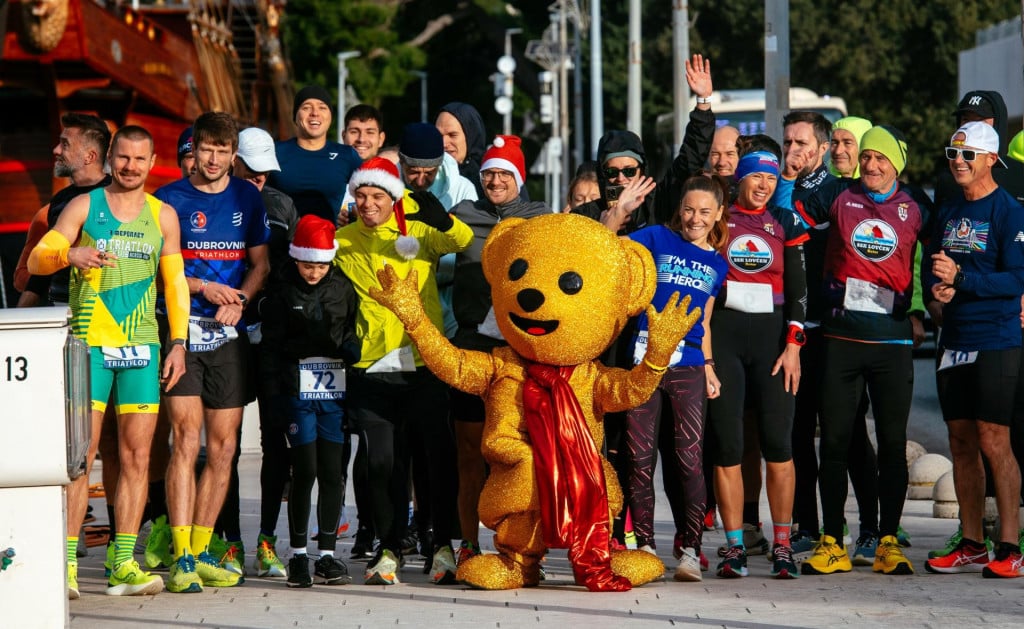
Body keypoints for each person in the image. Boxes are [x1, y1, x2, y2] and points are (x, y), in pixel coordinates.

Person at [28, 124, 190, 598]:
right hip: (90, 348)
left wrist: (178, 342)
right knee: (81, 458)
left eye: (140, 160)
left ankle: (123, 562)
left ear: (153, 161)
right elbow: (39, 259)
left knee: (138, 456)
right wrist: (68, 254)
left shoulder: (164, 216)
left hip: (143, 350)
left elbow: (176, 284)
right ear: (110, 157)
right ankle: (67, 565)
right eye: (123, 158)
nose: (131, 167)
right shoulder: (83, 206)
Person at [795, 125, 932, 576]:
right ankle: (832, 540)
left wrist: (925, 305)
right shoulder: (838, 195)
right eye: (866, 157)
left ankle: (887, 541)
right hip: (840, 341)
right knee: (834, 443)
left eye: (881, 159)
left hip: (891, 343)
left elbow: (940, 252)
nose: (871, 166)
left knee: (892, 446)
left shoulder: (915, 206)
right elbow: (786, 213)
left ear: (897, 164)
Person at [334, 156, 472, 585]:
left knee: (436, 459)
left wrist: (444, 221)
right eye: (361, 196)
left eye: (377, 196)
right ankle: (389, 546)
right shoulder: (343, 240)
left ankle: (443, 545)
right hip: (371, 367)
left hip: (423, 362)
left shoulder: (418, 234)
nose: (368, 204)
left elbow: (462, 241)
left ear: (393, 199)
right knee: (382, 464)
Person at [155, 111, 270, 593]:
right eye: (207, 150)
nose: (215, 158)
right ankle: (181, 555)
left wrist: (241, 299)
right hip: (181, 330)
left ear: (233, 155)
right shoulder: (167, 199)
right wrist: (201, 286)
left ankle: (202, 551)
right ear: (194, 151)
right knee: (185, 441)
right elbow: (162, 269)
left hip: (227, 336)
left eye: (224, 151)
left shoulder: (247, 196)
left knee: (224, 448)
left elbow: (260, 263)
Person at [922, 121, 1024, 578]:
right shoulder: (947, 211)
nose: (957, 162)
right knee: (961, 442)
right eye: (952, 153)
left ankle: (1009, 544)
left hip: (996, 338)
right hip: (954, 340)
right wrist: (936, 295)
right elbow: (934, 270)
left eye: (967, 155)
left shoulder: (1008, 211)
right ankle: (970, 542)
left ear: (990, 160)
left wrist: (963, 281)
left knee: (993, 439)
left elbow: (1017, 279)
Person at [707, 147, 807, 580]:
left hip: (772, 344)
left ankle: (782, 544)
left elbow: (801, 292)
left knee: (778, 446)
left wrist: (794, 346)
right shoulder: (719, 219)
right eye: (756, 178)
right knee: (728, 447)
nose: (764, 185)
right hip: (726, 338)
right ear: (740, 180)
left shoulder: (783, 223)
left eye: (770, 178)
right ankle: (734, 546)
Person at [448, 135, 550, 566]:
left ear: (519, 179)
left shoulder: (540, 218)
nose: (494, 180)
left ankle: (522, 547)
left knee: (520, 454)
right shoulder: (463, 216)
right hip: (473, 348)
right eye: (489, 171)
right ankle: (467, 545)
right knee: (470, 453)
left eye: (504, 173)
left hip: (522, 352)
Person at [625, 174, 729, 582]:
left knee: (689, 460)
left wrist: (709, 365)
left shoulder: (718, 264)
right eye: (689, 209)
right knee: (638, 458)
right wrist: (619, 212)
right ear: (679, 208)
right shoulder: (655, 238)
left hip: (688, 365)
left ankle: (690, 549)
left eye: (705, 211)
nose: (695, 218)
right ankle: (646, 547)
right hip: (644, 361)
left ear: (718, 214)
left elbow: (703, 319)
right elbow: (608, 249)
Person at [259, 214, 360, 587]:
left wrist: (352, 350)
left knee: (333, 473)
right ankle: (299, 555)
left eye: (320, 265)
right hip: (296, 394)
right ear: (296, 259)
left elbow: (351, 331)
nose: (313, 272)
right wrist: (272, 395)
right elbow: (270, 346)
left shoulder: (343, 288)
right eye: (307, 264)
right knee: (304, 471)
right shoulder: (283, 290)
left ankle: (328, 556)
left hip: (334, 395)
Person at [397, 122, 480, 560]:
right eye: (414, 170)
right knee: (403, 444)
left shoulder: (459, 187)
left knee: (440, 442)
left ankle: (442, 534)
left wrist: (435, 237)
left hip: (443, 328)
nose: (421, 179)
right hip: (394, 335)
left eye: (428, 172)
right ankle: (409, 525)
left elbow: (462, 252)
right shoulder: (383, 186)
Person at [231, 126, 298, 578]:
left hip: (272, 337)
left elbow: (293, 270)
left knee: (276, 442)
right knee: (225, 445)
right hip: (226, 332)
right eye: (250, 169)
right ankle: (229, 543)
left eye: (263, 171)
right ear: (233, 161)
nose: (257, 178)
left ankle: (268, 541)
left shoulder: (281, 205)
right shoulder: (213, 202)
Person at [15, 112, 112, 307]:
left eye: (65, 144)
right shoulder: (60, 200)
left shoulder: (116, 196)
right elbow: (42, 271)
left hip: (105, 312)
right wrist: (19, 315)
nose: (56, 150)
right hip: (60, 309)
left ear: (89, 156)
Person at [269, 85, 361, 224]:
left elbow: (369, 195)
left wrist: (352, 215)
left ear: (330, 116)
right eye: (306, 107)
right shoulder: (274, 152)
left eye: (322, 107)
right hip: (283, 242)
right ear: (295, 116)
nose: (314, 113)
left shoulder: (346, 155)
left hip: (330, 241)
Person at [436, 102, 488, 198]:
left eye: (452, 135)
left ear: (471, 136)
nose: (443, 143)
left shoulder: (494, 178)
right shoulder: (426, 175)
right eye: (438, 135)